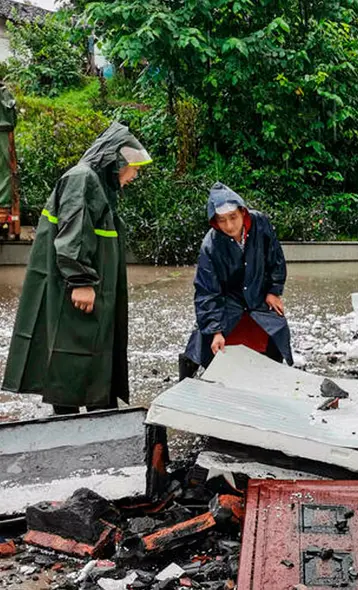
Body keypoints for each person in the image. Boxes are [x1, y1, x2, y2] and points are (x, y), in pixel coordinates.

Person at [3, 122, 151, 414]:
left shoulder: (98, 184)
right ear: (116, 160)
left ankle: (96, 414)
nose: (134, 175)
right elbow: (73, 234)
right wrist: (81, 281)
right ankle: (71, 424)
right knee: (70, 356)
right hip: (74, 293)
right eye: (133, 168)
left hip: (90, 293)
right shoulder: (82, 179)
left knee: (90, 356)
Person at [179, 183, 291, 378]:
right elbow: (206, 292)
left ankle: (273, 371)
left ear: (243, 212)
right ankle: (188, 380)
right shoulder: (210, 245)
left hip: (257, 296)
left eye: (233, 217)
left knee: (277, 329)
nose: (229, 226)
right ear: (214, 221)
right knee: (200, 341)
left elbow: (276, 259)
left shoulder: (261, 224)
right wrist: (215, 330)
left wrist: (274, 291)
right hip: (228, 302)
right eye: (222, 220)